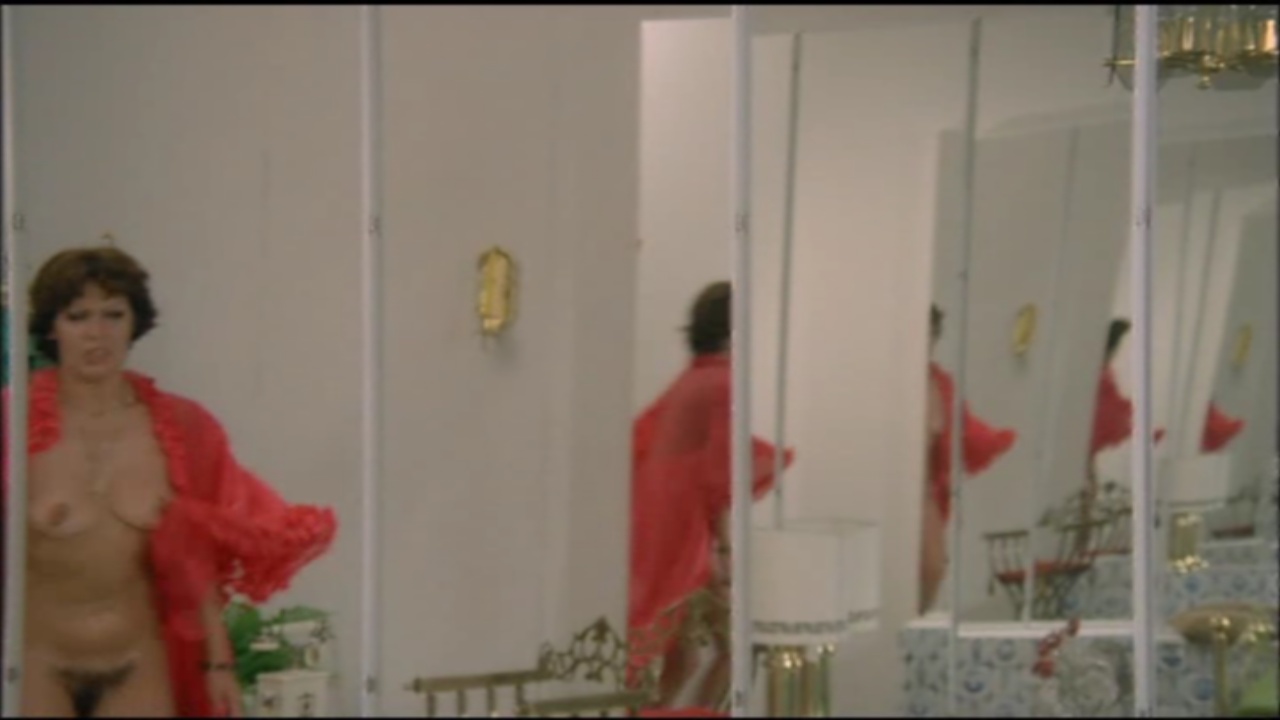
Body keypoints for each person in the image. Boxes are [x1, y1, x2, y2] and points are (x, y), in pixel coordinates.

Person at [1, 247, 337, 717]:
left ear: (134, 323)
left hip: (139, 659)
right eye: (78, 316)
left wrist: (218, 664)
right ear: (52, 327)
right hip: (37, 662)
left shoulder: (184, 427)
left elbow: (199, 558)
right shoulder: (12, 421)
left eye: (113, 315)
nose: (96, 333)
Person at [628, 281, 793, 709]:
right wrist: (724, 548)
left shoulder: (696, 379)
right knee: (737, 645)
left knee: (682, 652)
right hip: (681, 532)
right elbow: (719, 478)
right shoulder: (720, 383)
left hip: (659, 524)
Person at [921, 304, 1018, 614]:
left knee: (932, 567)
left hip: (925, 493)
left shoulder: (939, 383)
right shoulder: (887, 381)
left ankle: (911, 624)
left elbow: (960, 429)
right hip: (889, 489)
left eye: (932, 334)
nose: (926, 341)